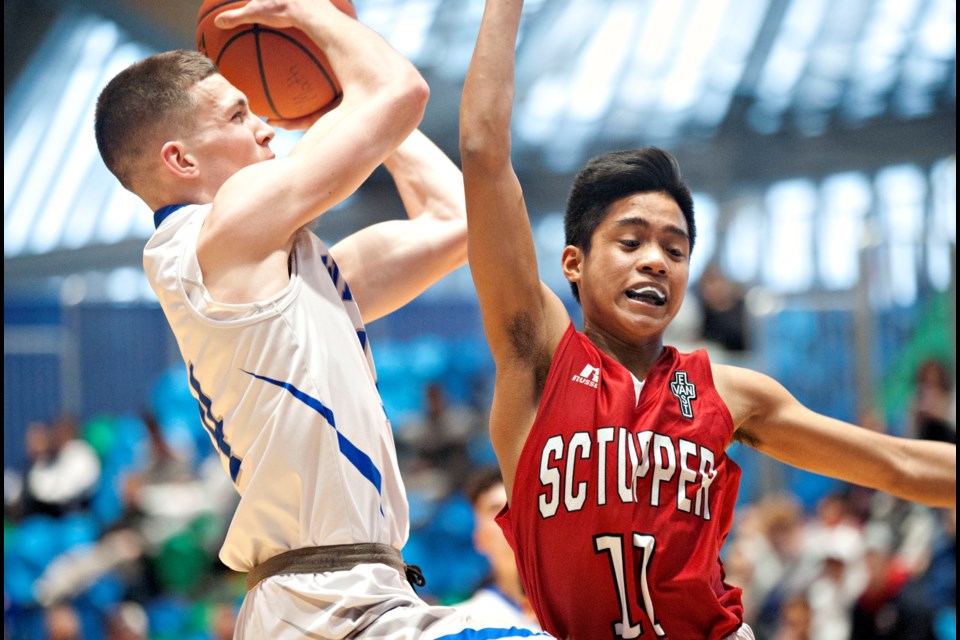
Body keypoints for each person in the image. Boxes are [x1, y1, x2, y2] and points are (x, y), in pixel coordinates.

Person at [458, 1, 957, 638]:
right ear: (573, 262)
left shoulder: (726, 392)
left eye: (675, 249)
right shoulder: (540, 359)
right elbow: (480, 147)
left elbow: (897, 467)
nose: (656, 263)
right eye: (631, 241)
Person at [94, 1, 552, 638]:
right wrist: (308, 13)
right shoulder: (211, 236)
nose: (266, 128)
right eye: (236, 114)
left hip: (341, 600)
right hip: (327, 605)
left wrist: (345, 108)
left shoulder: (276, 272)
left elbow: (458, 222)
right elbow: (401, 91)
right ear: (181, 161)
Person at [456, 467, 541, 629]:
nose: (509, 519)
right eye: (496, 509)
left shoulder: (579, 605)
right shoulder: (464, 623)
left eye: (516, 506)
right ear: (478, 537)